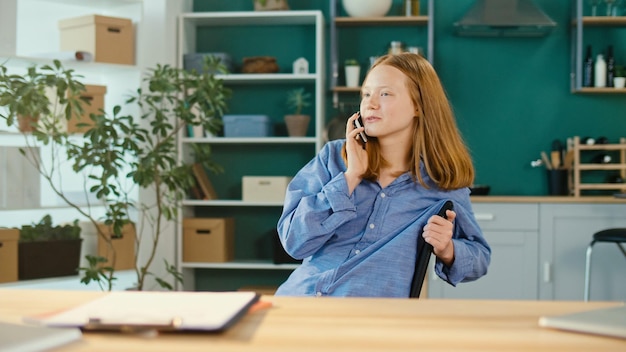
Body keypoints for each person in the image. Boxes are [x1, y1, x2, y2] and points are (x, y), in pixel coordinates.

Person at [275, 53, 490, 297]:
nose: (370, 104)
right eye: (366, 94)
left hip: (373, 321)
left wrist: (447, 249)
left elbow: (480, 258)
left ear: (418, 105)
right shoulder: (333, 158)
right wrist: (350, 177)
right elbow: (294, 242)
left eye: (385, 94)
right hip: (301, 302)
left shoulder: (442, 182)